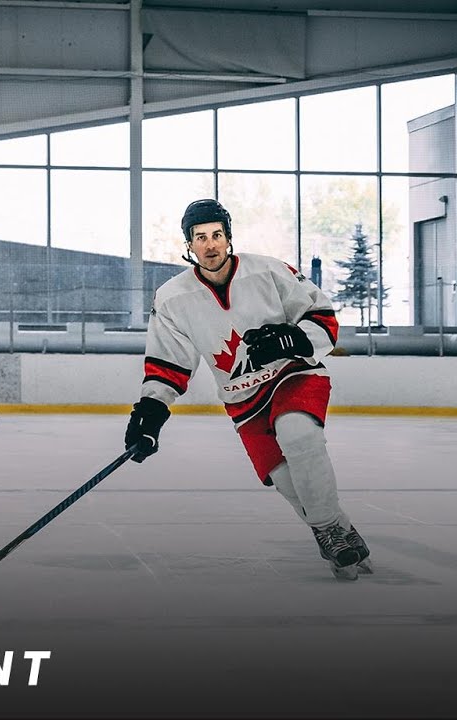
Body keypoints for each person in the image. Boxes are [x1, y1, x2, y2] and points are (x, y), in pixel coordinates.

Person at [124, 198, 372, 580]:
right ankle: (339, 528)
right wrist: (150, 414)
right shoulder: (173, 298)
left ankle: (328, 532)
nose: (210, 245)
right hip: (242, 399)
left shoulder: (268, 271)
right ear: (189, 245)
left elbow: (322, 317)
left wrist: (293, 339)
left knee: (298, 433)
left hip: (293, 375)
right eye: (200, 237)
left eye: (217, 235)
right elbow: (167, 363)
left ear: (229, 238)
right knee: (288, 482)